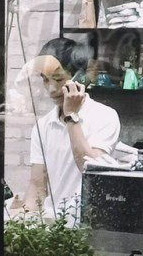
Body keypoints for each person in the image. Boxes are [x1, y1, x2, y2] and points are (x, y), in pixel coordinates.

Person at [14, 37, 122, 223]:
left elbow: (89, 168)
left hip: (90, 226)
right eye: (45, 80)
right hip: (54, 225)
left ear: (78, 78)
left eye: (58, 79)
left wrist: (71, 115)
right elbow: (38, 185)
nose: (51, 89)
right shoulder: (43, 126)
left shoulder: (105, 116)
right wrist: (23, 222)